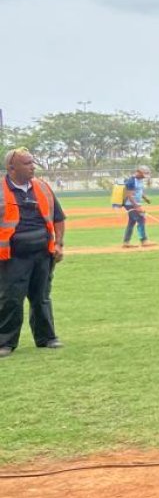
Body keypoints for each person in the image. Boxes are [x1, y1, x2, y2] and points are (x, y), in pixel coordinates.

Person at [0, 148, 65, 357]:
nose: (32, 167)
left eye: (32, 162)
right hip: (13, 256)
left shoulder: (42, 187)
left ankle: (46, 337)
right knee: (11, 298)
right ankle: (6, 342)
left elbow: (59, 217)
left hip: (42, 253)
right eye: (27, 163)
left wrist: (59, 244)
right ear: (12, 167)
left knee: (41, 297)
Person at [122, 165, 154, 248]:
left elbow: (139, 190)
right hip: (130, 204)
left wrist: (145, 198)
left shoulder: (140, 180)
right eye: (143, 175)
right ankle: (144, 240)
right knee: (141, 218)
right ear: (138, 172)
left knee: (131, 222)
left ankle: (126, 242)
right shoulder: (131, 181)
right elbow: (129, 195)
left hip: (135, 203)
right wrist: (136, 207)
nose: (144, 177)